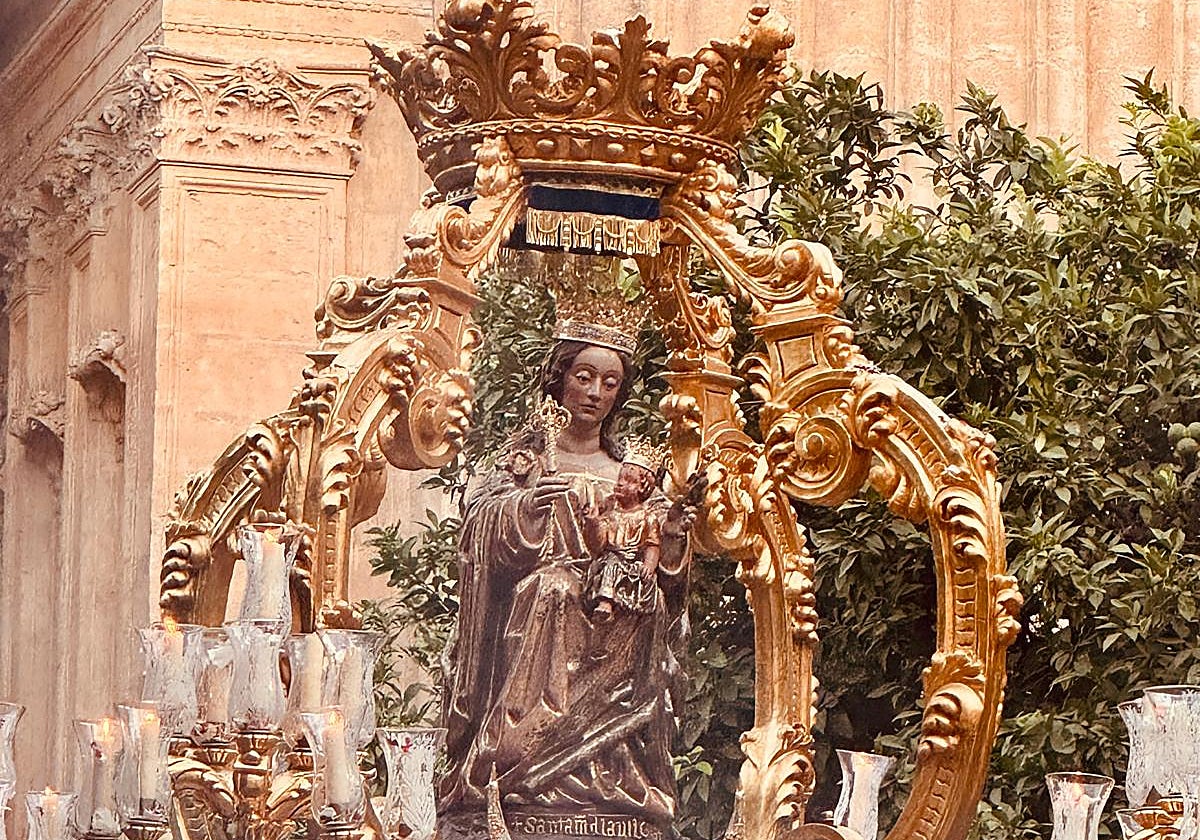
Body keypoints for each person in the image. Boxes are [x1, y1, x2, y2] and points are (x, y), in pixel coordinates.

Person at [439, 335, 696, 832]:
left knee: (644, 605)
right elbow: (479, 533)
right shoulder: (524, 464)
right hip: (542, 599)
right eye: (584, 377)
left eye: (610, 383)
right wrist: (525, 508)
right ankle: (514, 763)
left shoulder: (632, 476)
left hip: (621, 602)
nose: (596, 392)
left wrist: (671, 539)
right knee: (554, 589)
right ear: (560, 380)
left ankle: (609, 776)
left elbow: (667, 568)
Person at [582, 442, 666, 624]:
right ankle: (605, 603)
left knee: (639, 577)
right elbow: (597, 545)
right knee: (611, 563)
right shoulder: (610, 514)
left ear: (642, 488)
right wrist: (593, 523)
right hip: (610, 561)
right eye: (620, 478)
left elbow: (652, 546)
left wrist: (649, 566)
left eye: (629, 480)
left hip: (632, 565)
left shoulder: (647, 518)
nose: (620, 483)